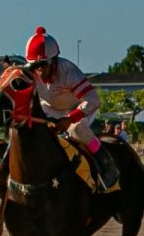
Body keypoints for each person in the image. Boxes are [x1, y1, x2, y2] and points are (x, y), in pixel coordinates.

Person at [23, 26, 119, 187]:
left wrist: (70, 119)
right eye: (34, 66)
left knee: (75, 129)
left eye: (43, 64)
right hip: (50, 108)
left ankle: (106, 163)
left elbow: (93, 100)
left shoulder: (67, 70)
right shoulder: (29, 74)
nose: (38, 70)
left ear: (54, 61)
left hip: (78, 107)